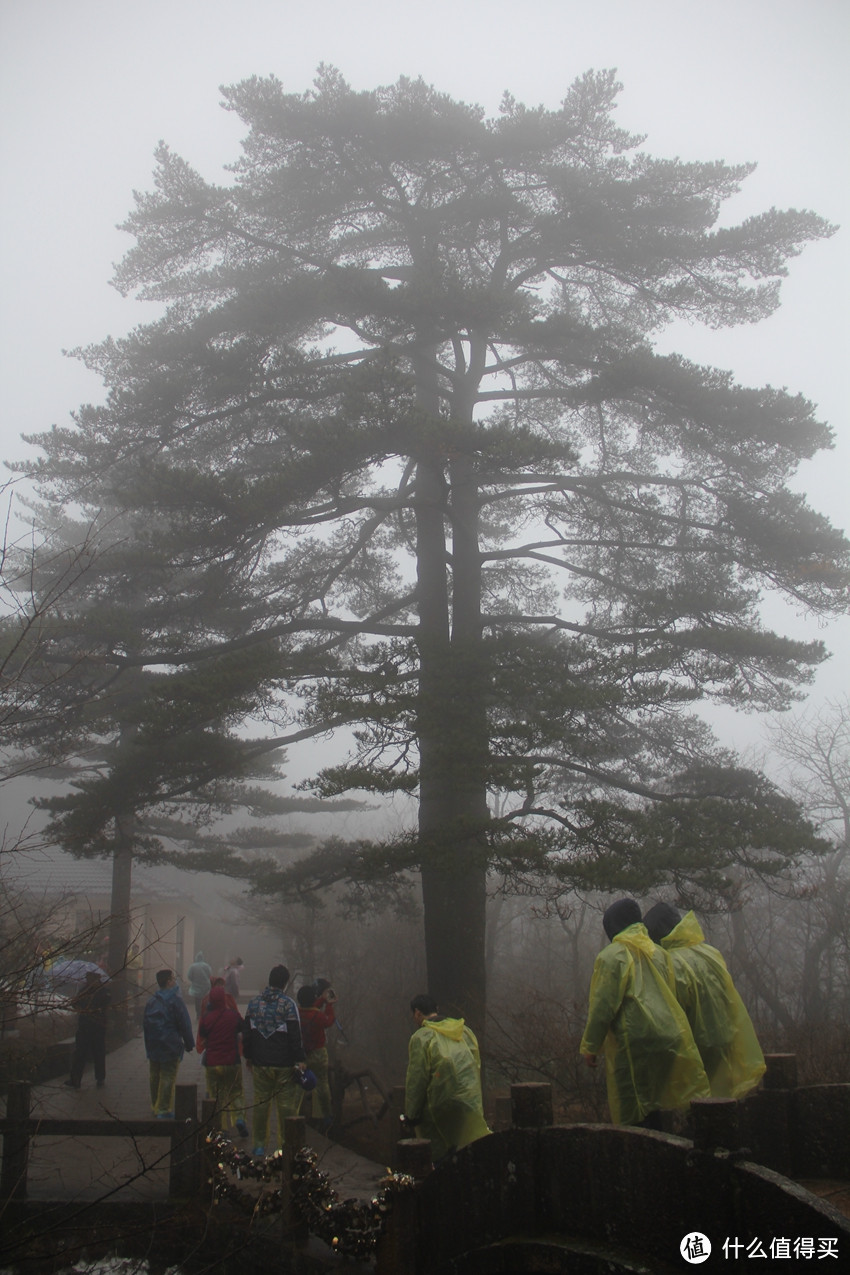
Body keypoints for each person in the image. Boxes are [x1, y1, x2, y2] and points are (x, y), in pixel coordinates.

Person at [579, 898, 709, 1129]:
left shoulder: (612, 956)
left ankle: (642, 1154)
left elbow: (603, 1006)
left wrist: (591, 1046)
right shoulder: (658, 952)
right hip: (670, 1036)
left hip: (635, 1039)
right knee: (659, 1102)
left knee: (635, 1109)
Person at [643, 902, 766, 1100]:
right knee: (724, 1101)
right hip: (725, 1036)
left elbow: (670, 1012)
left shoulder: (669, 963)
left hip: (695, 1045)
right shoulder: (708, 952)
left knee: (700, 1106)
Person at [403, 993, 490, 1164]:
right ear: (436, 1010)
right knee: (466, 1154)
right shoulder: (464, 1031)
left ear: (418, 1013)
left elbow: (417, 1079)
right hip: (468, 1103)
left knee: (440, 1157)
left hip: (439, 1107)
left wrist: (411, 1115)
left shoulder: (422, 1037)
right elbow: (474, 1064)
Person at [242, 964, 306, 1156]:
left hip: (261, 1063)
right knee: (286, 1107)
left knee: (261, 1105)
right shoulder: (288, 1005)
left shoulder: (253, 1004)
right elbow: (295, 1036)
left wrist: (249, 1056)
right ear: (285, 982)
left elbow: (247, 1034)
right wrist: (300, 1059)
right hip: (284, 1064)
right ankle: (286, 1147)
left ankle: (259, 1145)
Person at [198, 982, 250, 1138]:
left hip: (213, 1064)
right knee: (236, 1092)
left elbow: (203, 1034)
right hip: (232, 1062)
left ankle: (222, 1127)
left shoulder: (207, 1018)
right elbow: (243, 1027)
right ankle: (239, 1118)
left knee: (216, 1096)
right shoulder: (232, 1016)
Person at [143, 968, 195, 1118]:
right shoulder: (175, 1001)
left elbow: (145, 1024)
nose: (175, 980)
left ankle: (155, 1105)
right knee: (168, 1075)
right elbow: (184, 1023)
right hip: (170, 1044)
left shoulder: (152, 1000)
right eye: (173, 978)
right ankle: (164, 1109)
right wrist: (189, 1043)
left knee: (154, 1075)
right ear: (169, 982)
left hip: (153, 1044)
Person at [296, 982, 337, 1129]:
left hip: (301, 1055)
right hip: (318, 1054)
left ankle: (295, 1114)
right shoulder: (318, 1016)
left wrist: (322, 1000)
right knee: (322, 1084)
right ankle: (325, 1115)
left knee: (298, 1084)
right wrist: (329, 1004)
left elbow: (311, 1006)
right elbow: (329, 1021)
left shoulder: (296, 1013)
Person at [65, 970, 110, 1089]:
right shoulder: (84, 990)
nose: (88, 980)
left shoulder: (103, 992)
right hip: (84, 1026)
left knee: (98, 1052)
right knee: (80, 1053)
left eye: (90, 978)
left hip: (98, 1026)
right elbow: (74, 1003)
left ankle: (100, 1077)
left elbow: (106, 1004)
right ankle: (75, 1079)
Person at [186, 951, 213, 1020]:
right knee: (206, 999)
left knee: (197, 1000)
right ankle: (205, 1013)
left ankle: (198, 1014)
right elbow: (210, 974)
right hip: (206, 985)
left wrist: (194, 980)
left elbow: (189, 976)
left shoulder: (193, 966)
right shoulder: (206, 966)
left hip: (196, 986)